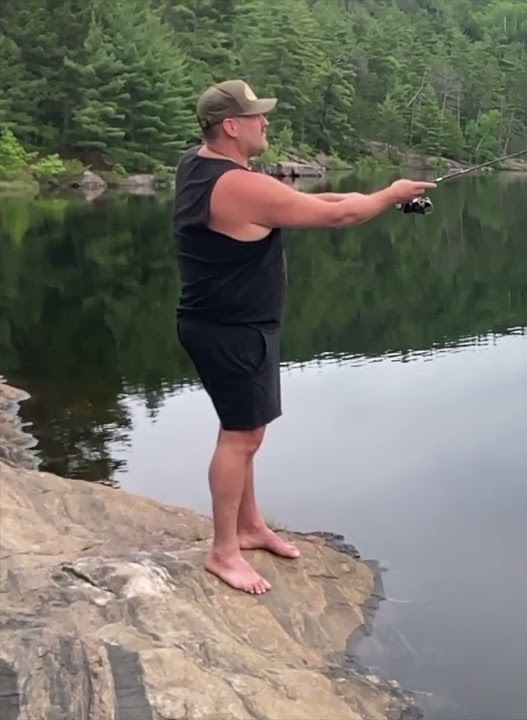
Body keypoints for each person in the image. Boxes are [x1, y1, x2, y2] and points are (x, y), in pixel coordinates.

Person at [173, 79, 434, 595]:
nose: (265, 122)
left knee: (246, 430)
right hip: (232, 331)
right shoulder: (236, 185)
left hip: (228, 326)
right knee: (241, 436)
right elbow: (336, 216)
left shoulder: (201, 165)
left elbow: (306, 200)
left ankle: (249, 526)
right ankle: (224, 551)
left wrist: (377, 198)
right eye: (256, 116)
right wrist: (389, 195)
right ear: (231, 126)